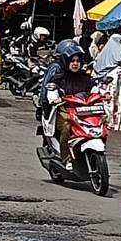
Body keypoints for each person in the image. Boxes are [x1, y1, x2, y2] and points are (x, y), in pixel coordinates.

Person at [40, 39, 94, 169]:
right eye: (72, 61)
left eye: (78, 61)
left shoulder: (86, 78)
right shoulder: (59, 75)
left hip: (83, 112)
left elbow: (95, 89)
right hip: (64, 111)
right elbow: (50, 89)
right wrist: (55, 99)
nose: (75, 64)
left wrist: (104, 94)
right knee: (67, 127)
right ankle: (66, 158)